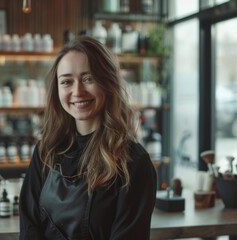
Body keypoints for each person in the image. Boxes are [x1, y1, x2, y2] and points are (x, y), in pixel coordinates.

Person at [19, 36, 157, 240]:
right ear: (57, 90)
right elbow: (29, 227)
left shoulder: (133, 163)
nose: (77, 91)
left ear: (108, 82)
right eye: (66, 81)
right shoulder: (45, 151)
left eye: (88, 78)